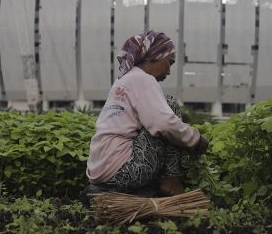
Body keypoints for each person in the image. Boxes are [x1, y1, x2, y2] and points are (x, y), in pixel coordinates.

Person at [86, 30, 210, 197]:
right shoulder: (143, 79)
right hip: (123, 170)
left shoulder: (123, 80)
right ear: (154, 56)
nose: (169, 71)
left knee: (160, 112)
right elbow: (163, 123)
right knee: (169, 106)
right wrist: (196, 140)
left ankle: (147, 187)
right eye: (169, 63)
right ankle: (171, 179)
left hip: (99, 172)